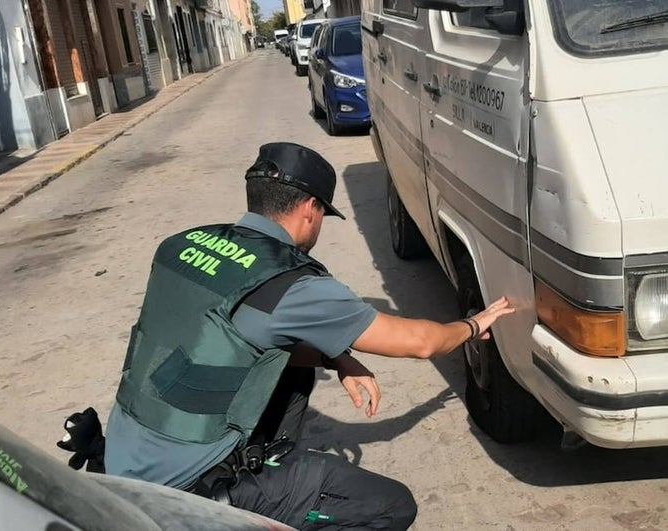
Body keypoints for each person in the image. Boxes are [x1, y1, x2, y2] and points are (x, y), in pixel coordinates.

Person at [104, 142, 514, 530]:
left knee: (291, 367)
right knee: (391, 506)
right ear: (310, 208)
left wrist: (337, 357)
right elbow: (420, 342)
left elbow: (226, 340)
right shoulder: (290, 283)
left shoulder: (180, 245)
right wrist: (475, 325)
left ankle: (265, 469)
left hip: (124, 460)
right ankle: (244, 506)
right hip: (188, 487)